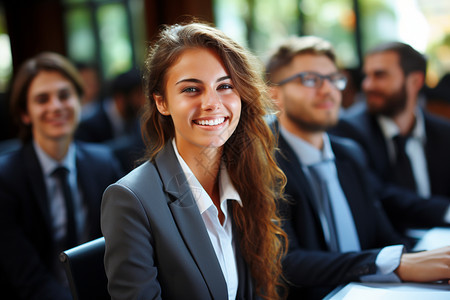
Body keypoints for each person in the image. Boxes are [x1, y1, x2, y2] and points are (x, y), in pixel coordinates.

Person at [100, 22, 287, 300]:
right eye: (191, 89)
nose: (212, 103)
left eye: (225, 86)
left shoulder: (248, 175)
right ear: (162, 102)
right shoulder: (130, 200)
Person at [265, 36, 450, 300]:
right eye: (310, 79)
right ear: (274, 94)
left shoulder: (350, 153)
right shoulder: (262, 161)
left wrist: (430, 262)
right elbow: (286, 262)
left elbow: (383, 236)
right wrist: (394, 263)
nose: (327, 90)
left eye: (333, 78)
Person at [0, 52, 123, 300]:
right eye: (42, 99)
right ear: (25, 113)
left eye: (64, 95)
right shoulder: (5, 179)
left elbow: (123, 243)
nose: (56, 106)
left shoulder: (104, 163)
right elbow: (25, 275)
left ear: (79, 101)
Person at [331, 42, 450, 234]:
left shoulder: (443, 132)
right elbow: (379, 194)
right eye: (366, 76)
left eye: (380, 75)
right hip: (393, 245)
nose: (367, 85)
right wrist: (446, 211)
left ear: (415, 82)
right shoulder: (347, 131)